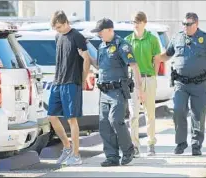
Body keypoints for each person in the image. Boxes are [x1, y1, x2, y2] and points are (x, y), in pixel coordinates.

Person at [155, 12, 206, 156]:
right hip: (180, 84)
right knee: (178, 110)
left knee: (198, 114)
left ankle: (196, 145)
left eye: (188, 24)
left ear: (196, 24)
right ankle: (180, 143)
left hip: (199, 84)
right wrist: (155, 58)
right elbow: (167, 54)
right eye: (183, 23)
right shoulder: (177, 37)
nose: (185, 26)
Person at [89, 18, 145, 166]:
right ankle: (112, 157)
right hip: (104, 92)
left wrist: (140, 90)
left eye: (100, 32)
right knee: (104, 124)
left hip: (118, 91)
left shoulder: (122, 45)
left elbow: (134, 66)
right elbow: (99, 66)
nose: (99, 35)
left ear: (109, 30)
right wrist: (87, 56)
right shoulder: (102, 46)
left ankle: (128, 151)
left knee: (116, 121)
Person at [48, 10, 91, 165]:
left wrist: (83, 79)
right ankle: (67, 147)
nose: (57, 30)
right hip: (58, 81)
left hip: (72, 81)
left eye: (59, 27)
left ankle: (76, 155)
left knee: (71, 119)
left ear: (66, 22)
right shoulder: (58, 36)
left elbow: (86, 59)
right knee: (52, 116)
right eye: (55, 28)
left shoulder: (77, 37)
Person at [125, 11, 161, 157]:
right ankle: (134, 145)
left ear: (144, 22)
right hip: (133, 80)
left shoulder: (152, 39)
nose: (136, 24)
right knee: (134, 114)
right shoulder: (128, 40)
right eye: (133, 21)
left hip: (149, 78)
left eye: (138, 22)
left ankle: (151, 144)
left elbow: (157, 59)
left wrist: (154, 76)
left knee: (150, 113)